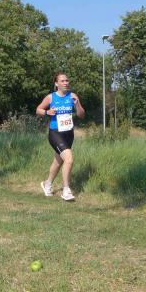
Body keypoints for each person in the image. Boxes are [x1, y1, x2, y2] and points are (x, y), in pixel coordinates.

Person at [36, 73, 85, 201]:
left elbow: (81, 115)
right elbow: (38, 110)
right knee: (69, 159)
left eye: (67, 80)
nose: (66, 83)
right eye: (62, 81)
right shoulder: (51, 97)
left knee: (58, 162)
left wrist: (77, 104)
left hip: (69, 134)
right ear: (56, 83)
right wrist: (47, 112)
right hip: (55, 133)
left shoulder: (73, 96)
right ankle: (66, 190)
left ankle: (47, 184)